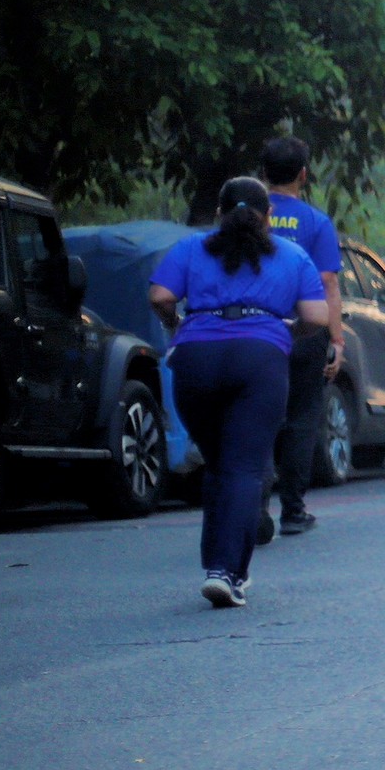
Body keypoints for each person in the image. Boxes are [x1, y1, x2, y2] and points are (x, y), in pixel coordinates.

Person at [147, 177, 328, 609]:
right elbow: (317, 317)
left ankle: (216, 567)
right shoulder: (291, 255)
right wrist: (287, 334)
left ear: (218, 214)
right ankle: (227, 572)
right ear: (269, 217)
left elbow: (160, 295)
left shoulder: (191, 248)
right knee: (245, 468)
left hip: (196, 360)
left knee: (218, 464)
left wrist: (176, 325)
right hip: (259, 361)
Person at [260, 136, 345, 540]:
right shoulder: (315, 222)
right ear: (304, 175)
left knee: (255, 416)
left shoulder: (245, 218)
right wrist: (337, 341)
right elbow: (329, 284)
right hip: (304, 332)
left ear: (263, 174)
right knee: (301, 417)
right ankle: (293, 510)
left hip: (254, 331)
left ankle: (254, 505)